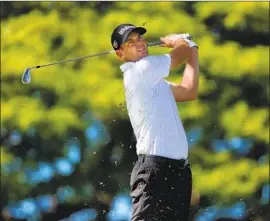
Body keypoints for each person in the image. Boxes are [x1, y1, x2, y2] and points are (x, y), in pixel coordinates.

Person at [110, 23, 199, 221]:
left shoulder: (155, 82)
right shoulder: (142, 69)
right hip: (154, 169)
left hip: (179, 171)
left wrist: (192, 48)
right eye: (130, 42)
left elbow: (188, 91)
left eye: (140, 38)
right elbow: (179, 53)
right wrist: (179, 42)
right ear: (120, 53)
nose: (139, 43)